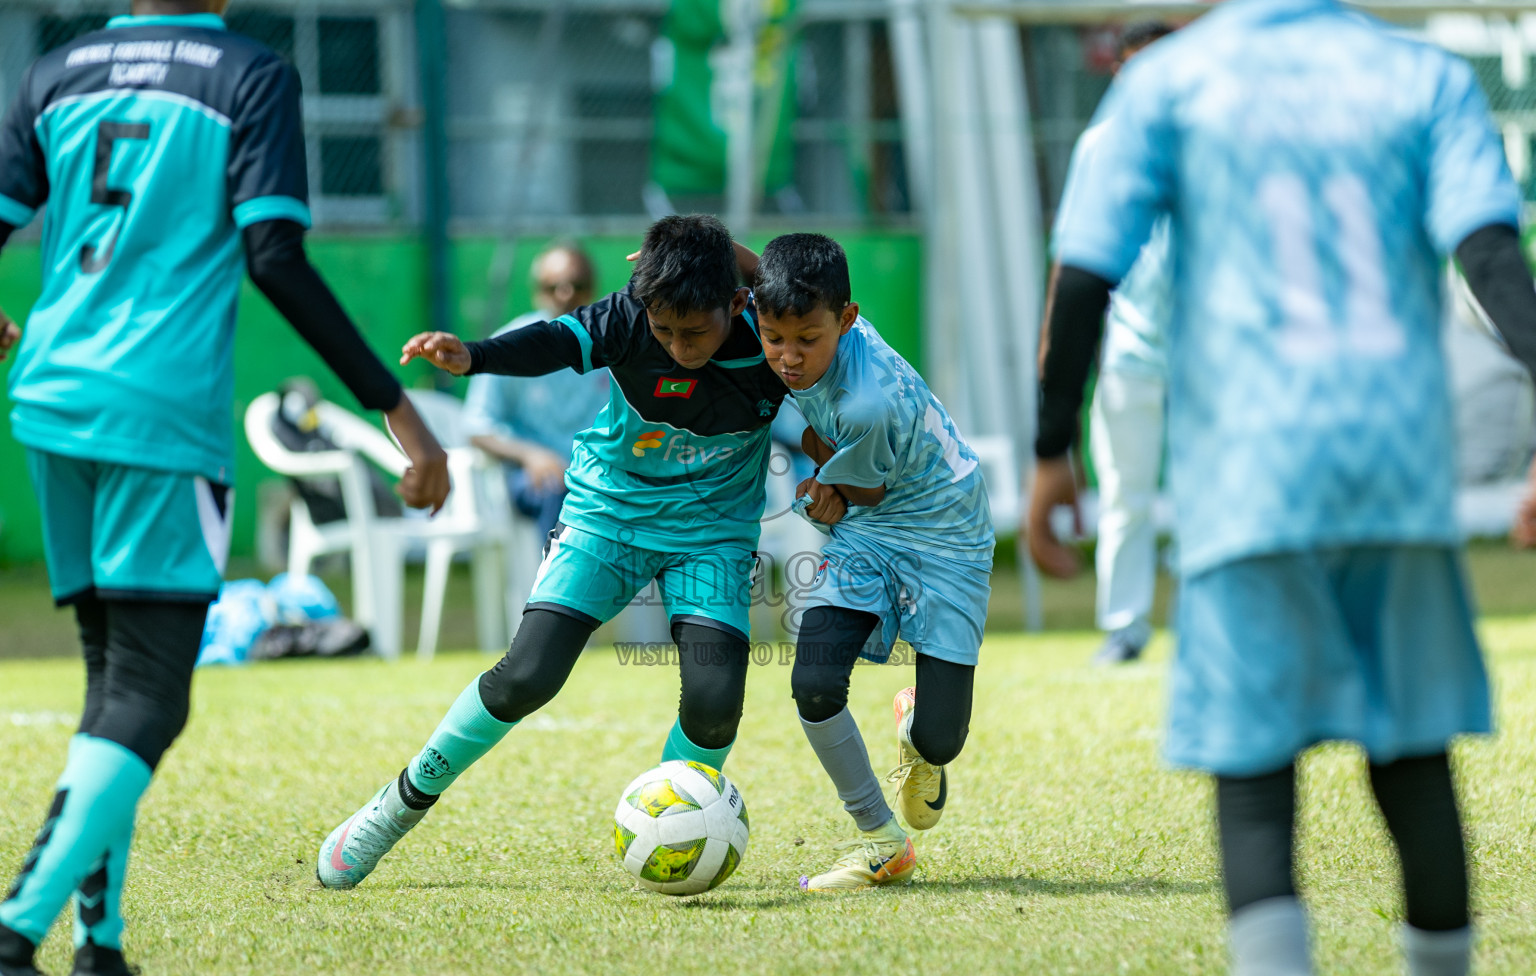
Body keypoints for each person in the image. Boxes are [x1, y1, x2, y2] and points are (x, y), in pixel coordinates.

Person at [1028, 2, 1536, 976]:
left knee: (1255, 771)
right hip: (1394, 467)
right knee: (1412, 756)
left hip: (1249, 472)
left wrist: (1051, 450)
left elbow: (1084, 275)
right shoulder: (1422, 75)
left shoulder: (1165, 83)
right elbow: (1490, 260)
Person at [0, 2, 450, 976]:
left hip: (51, 399)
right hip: (155, 413)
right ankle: (13, 936)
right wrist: (397, 412)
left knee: (111, 693)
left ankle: (100, 967)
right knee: (154, 698)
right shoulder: (248, 74)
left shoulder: (57, 70)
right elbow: (275, 255)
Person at [316, 214, 789, 890]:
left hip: (711, 530)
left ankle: (678, 828)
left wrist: (738, 259)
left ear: (738, 304)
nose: (679, 346)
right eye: (665, 332)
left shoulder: (769, 336)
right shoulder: (630, 316)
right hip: (608, 514)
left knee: (716, 697)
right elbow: (552, 342)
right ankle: (396, 806)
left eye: (696, 332)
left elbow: (826, 310)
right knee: (527, 675)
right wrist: (475, 355)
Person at [754, 234, 994, 892]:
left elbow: (857, 495)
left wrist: (818, 492)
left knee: (941, 742)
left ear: (848, 319)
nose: (788, 358)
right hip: (872, 531)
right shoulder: (790, 318)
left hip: (947, 532)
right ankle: (881, 840)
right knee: (814, 683)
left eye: (808, 339)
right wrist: (689, 248)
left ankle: (919, 728)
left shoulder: (867, 402)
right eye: (773, 337)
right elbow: (748, 266)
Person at [1046, 21, 1175, 665]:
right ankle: (1125, 626)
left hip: (1217, 353)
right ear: (1120, 73)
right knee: (1125, 493)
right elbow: (1071, 263)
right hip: (1131, 350)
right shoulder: (1099, 145)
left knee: (1227, 488)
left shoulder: (1215, 137)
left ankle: (1221, 622)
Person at [465, 242, 611, 540]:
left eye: (577, 284)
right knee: (554, 487)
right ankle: (553, 583)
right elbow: (477, 426)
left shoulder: (612, 341)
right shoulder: (513, 343)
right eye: (552, 286)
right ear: (537, 292)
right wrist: (532, 455)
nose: (565, 294)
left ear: (592, 288)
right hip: (533, 476)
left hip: (596, 474)